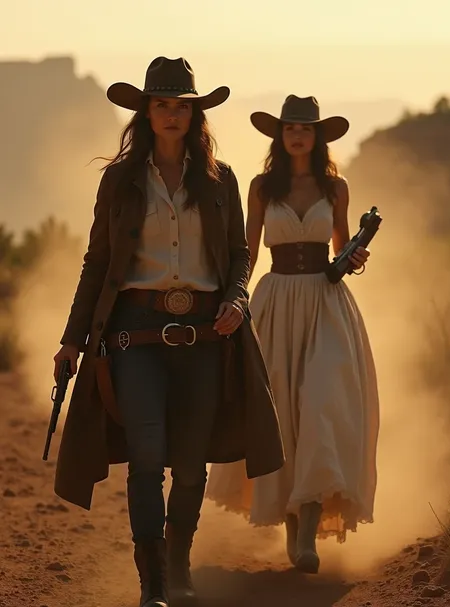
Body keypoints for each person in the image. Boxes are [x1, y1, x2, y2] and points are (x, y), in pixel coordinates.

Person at [52, 57, 284, 607]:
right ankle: (153, 581)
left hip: (206, 333)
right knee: (148, 456)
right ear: (146, 113)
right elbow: (97, 260)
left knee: (189, 462)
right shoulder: (121, 178)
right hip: (135, 334)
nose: (172, 115)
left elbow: (237, 254)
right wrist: (72, 337)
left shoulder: (219, 178)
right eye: (163, 105)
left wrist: (236, 297)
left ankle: (179, 567)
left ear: (195, 114)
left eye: (182, 106)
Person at [206, 95, 380, 574]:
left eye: (306, 129)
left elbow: (342, 247)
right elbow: (247, 249)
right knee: (280, 409)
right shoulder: (263, 187)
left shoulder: (336, 187)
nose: (298, 136)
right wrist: (235, 299)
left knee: (322, 402)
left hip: (325, 302)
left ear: (318, 137)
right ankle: (292, 529)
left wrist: (354, 258)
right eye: (290, 129)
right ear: (280, 137)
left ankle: (308, 532)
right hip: (276, 300)